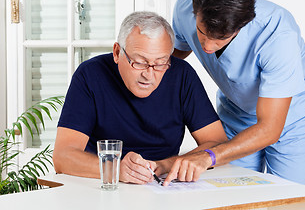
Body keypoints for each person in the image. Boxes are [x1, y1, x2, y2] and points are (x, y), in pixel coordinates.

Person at [164, 0, 305, 186]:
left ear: (241, 25)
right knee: (233, 192)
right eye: (202, 33)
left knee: (286, 196)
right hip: (237, 112)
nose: (207, 47)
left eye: (221, 39)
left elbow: (270, 128)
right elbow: (170, 59)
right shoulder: (186, 5)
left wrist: (209, 156)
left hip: (291, 118)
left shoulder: (277, 34)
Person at [52, 11, 228, 184]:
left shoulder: (182, 75)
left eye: (160, 63)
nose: (149, 75)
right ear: (117, 52)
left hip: (162, 184)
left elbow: (218, 145)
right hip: (102, 182)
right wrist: (116, 168)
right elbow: (63, 157)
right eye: (140, 62)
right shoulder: (90, 75)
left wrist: (166, 164)